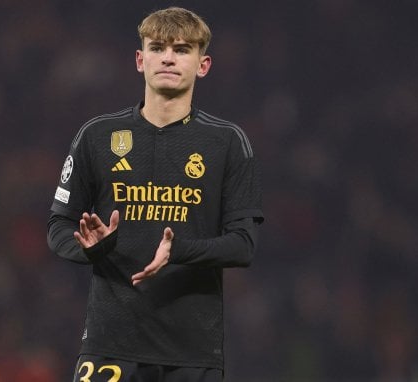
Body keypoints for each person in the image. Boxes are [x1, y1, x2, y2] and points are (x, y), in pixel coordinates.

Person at [47, 6, 263, 381]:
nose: (168, 57)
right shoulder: (97, 136)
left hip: (191, 354)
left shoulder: (227, 142)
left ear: (203, 64)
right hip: (110, 344)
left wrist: (177, 250)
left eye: (182, 49)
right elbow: (58, 226)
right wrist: (88, 247)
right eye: (158, 46)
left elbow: (243, 245)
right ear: (139, 59)